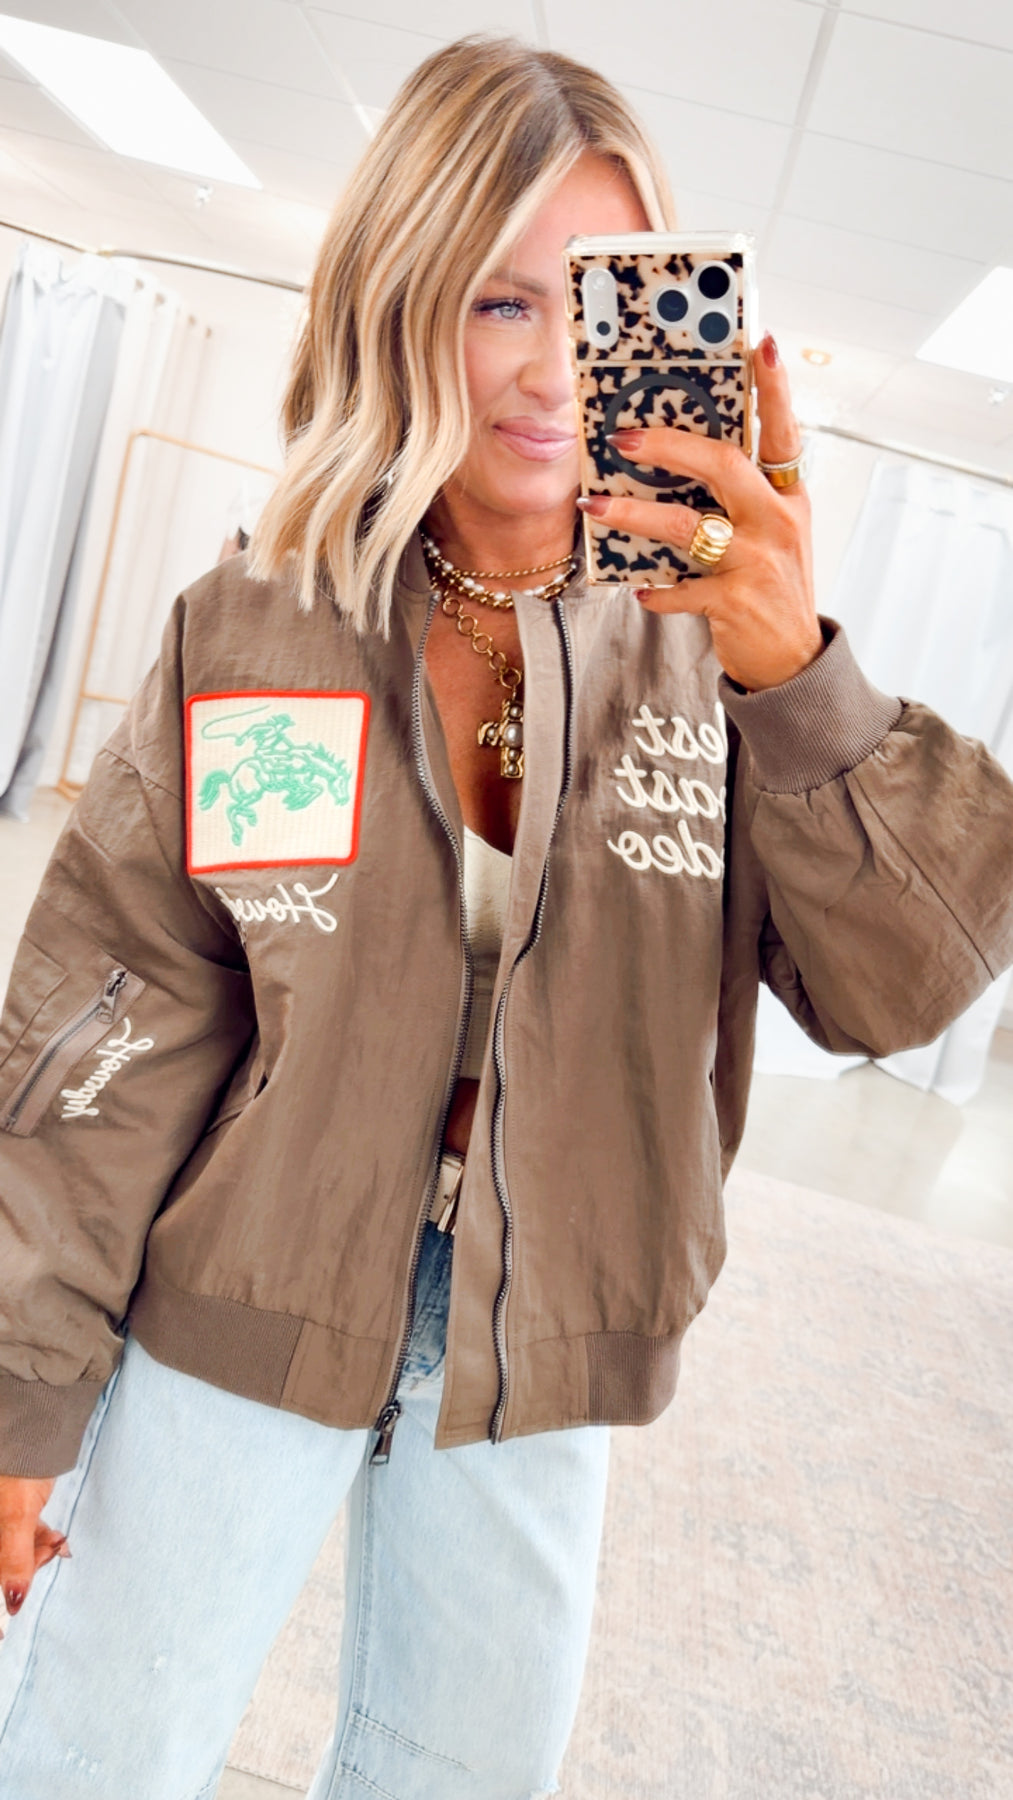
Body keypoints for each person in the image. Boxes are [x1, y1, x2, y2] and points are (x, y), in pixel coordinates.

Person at [1, 31, 1012, 1800]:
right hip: (247, 1282)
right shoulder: (261, 627)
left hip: (548, 1334)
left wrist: (800, 676)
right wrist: (22, 1381)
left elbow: (899, 992)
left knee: (463, 1774)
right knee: (96, 1748)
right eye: (497, 301)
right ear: (403, 303)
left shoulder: (722, 657)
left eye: (599, 303)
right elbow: (124, 1017)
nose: (553, 371)